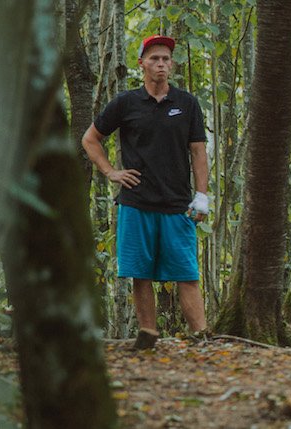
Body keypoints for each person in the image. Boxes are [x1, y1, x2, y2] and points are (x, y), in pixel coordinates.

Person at [80, 35, 210, 350]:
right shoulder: (126, 103)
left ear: (172, 64)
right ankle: (148, 336)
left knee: (187, 273)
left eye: (166, 59)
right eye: (154, 59)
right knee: (141, 274)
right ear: (142, 63)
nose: (161, 64)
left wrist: (202, 195)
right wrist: (110, 171)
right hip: (136, 202)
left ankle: (202, 337)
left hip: (178, 204)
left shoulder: (187, 103)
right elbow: (90, 139)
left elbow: (198, 151)